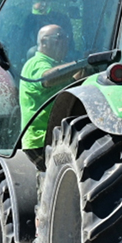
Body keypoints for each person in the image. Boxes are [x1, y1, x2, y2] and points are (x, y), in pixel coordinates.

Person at [18, 24, 76, 167]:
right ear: (43, 42)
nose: (65, 42)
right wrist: (79, 64)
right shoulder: (36, 63)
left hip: (56, 137)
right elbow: (47, 79)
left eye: (66, 37)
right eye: (59, 38)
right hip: (41, 141)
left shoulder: (57, 65)